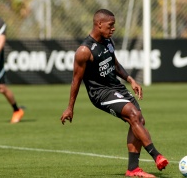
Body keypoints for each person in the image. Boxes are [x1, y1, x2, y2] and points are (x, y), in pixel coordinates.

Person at [60, 9, 169, 177]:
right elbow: (76, 80)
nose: (113, 29)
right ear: (99, 24)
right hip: (100, 93)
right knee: (133, 115)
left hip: (116, 88)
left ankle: (133, 169)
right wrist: (70, 107)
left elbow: (115, 65)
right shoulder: (84, 51)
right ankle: (156, 155)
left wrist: (130, 79)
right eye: (110, 25)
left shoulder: (108, 42)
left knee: (139, 119)